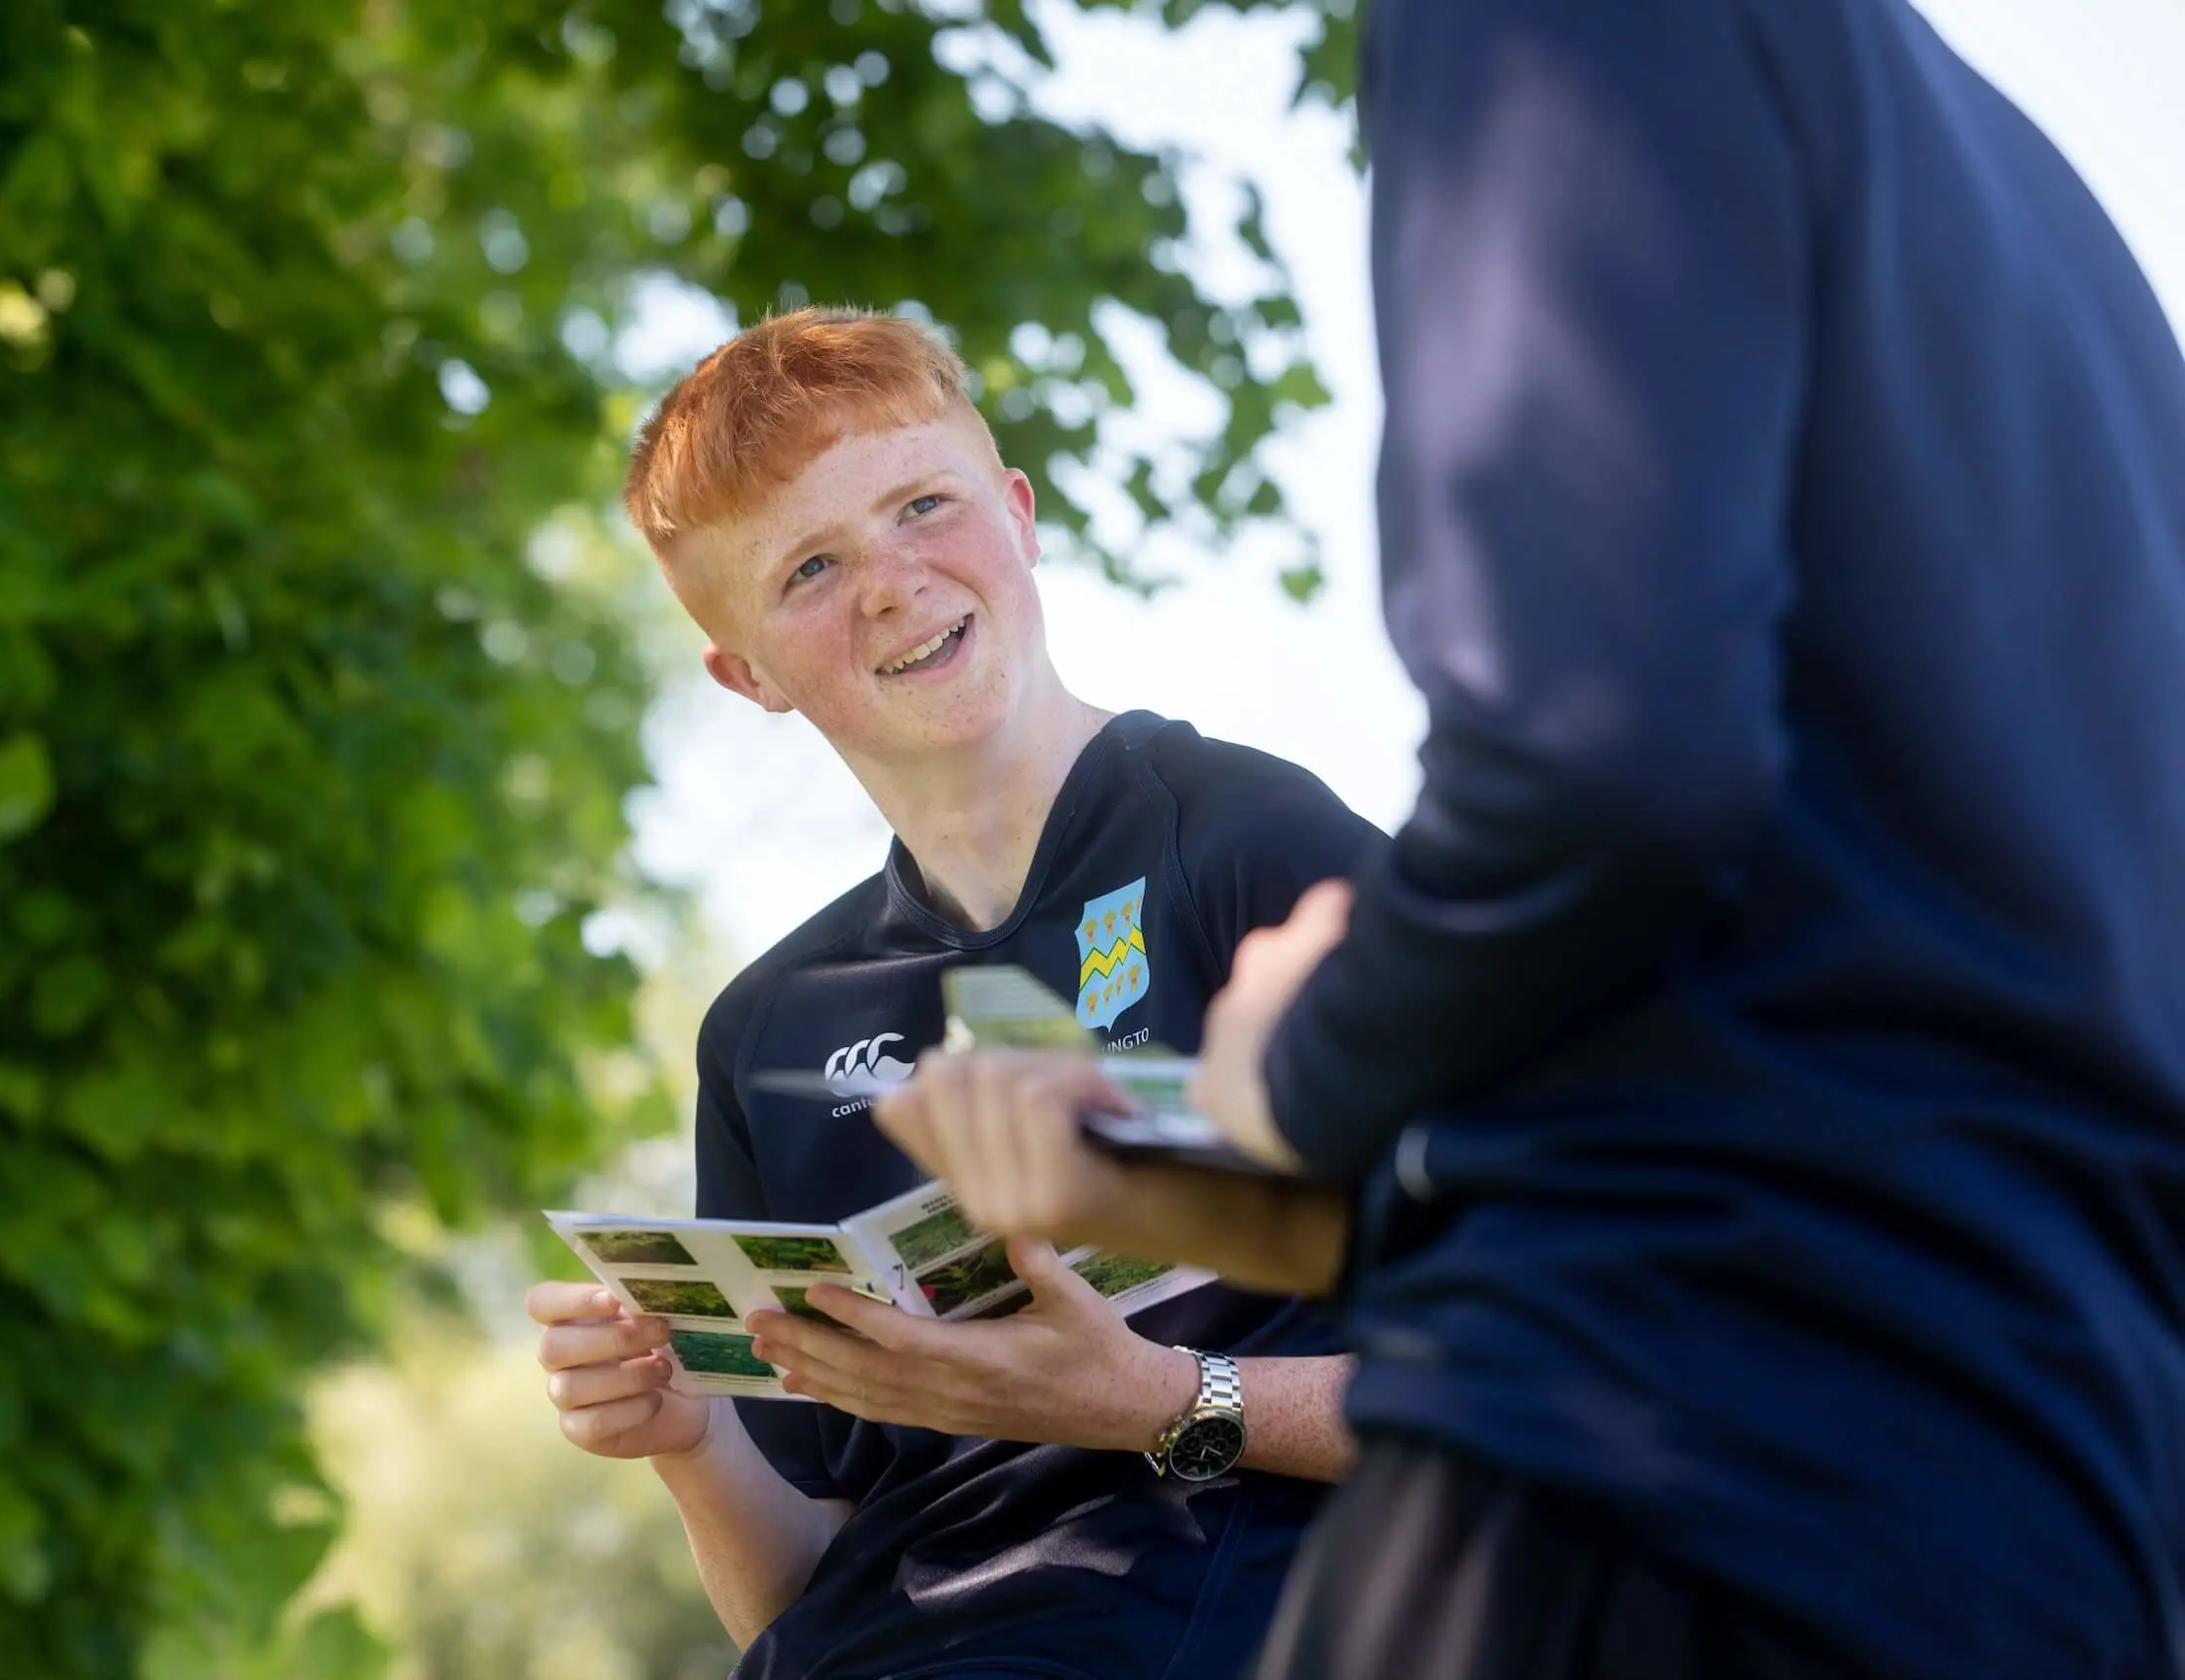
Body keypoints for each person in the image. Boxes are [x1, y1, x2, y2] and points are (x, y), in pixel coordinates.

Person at [874, 2, 2185, 1678]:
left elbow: (1599, 768)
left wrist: (1296, 1068)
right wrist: (1172, 1155)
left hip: (1663, 1477)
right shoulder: (2036, 217)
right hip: (2048, 1512)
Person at [524, 307, 1387, 1680]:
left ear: (1021, 512)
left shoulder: (1251, 848)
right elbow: (802, 1587)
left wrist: (1162, 1401)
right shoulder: (766, 1034)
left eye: (924, 505)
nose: (890, 581)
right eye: (810, 565)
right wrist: (688, 1434)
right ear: (744, 673)